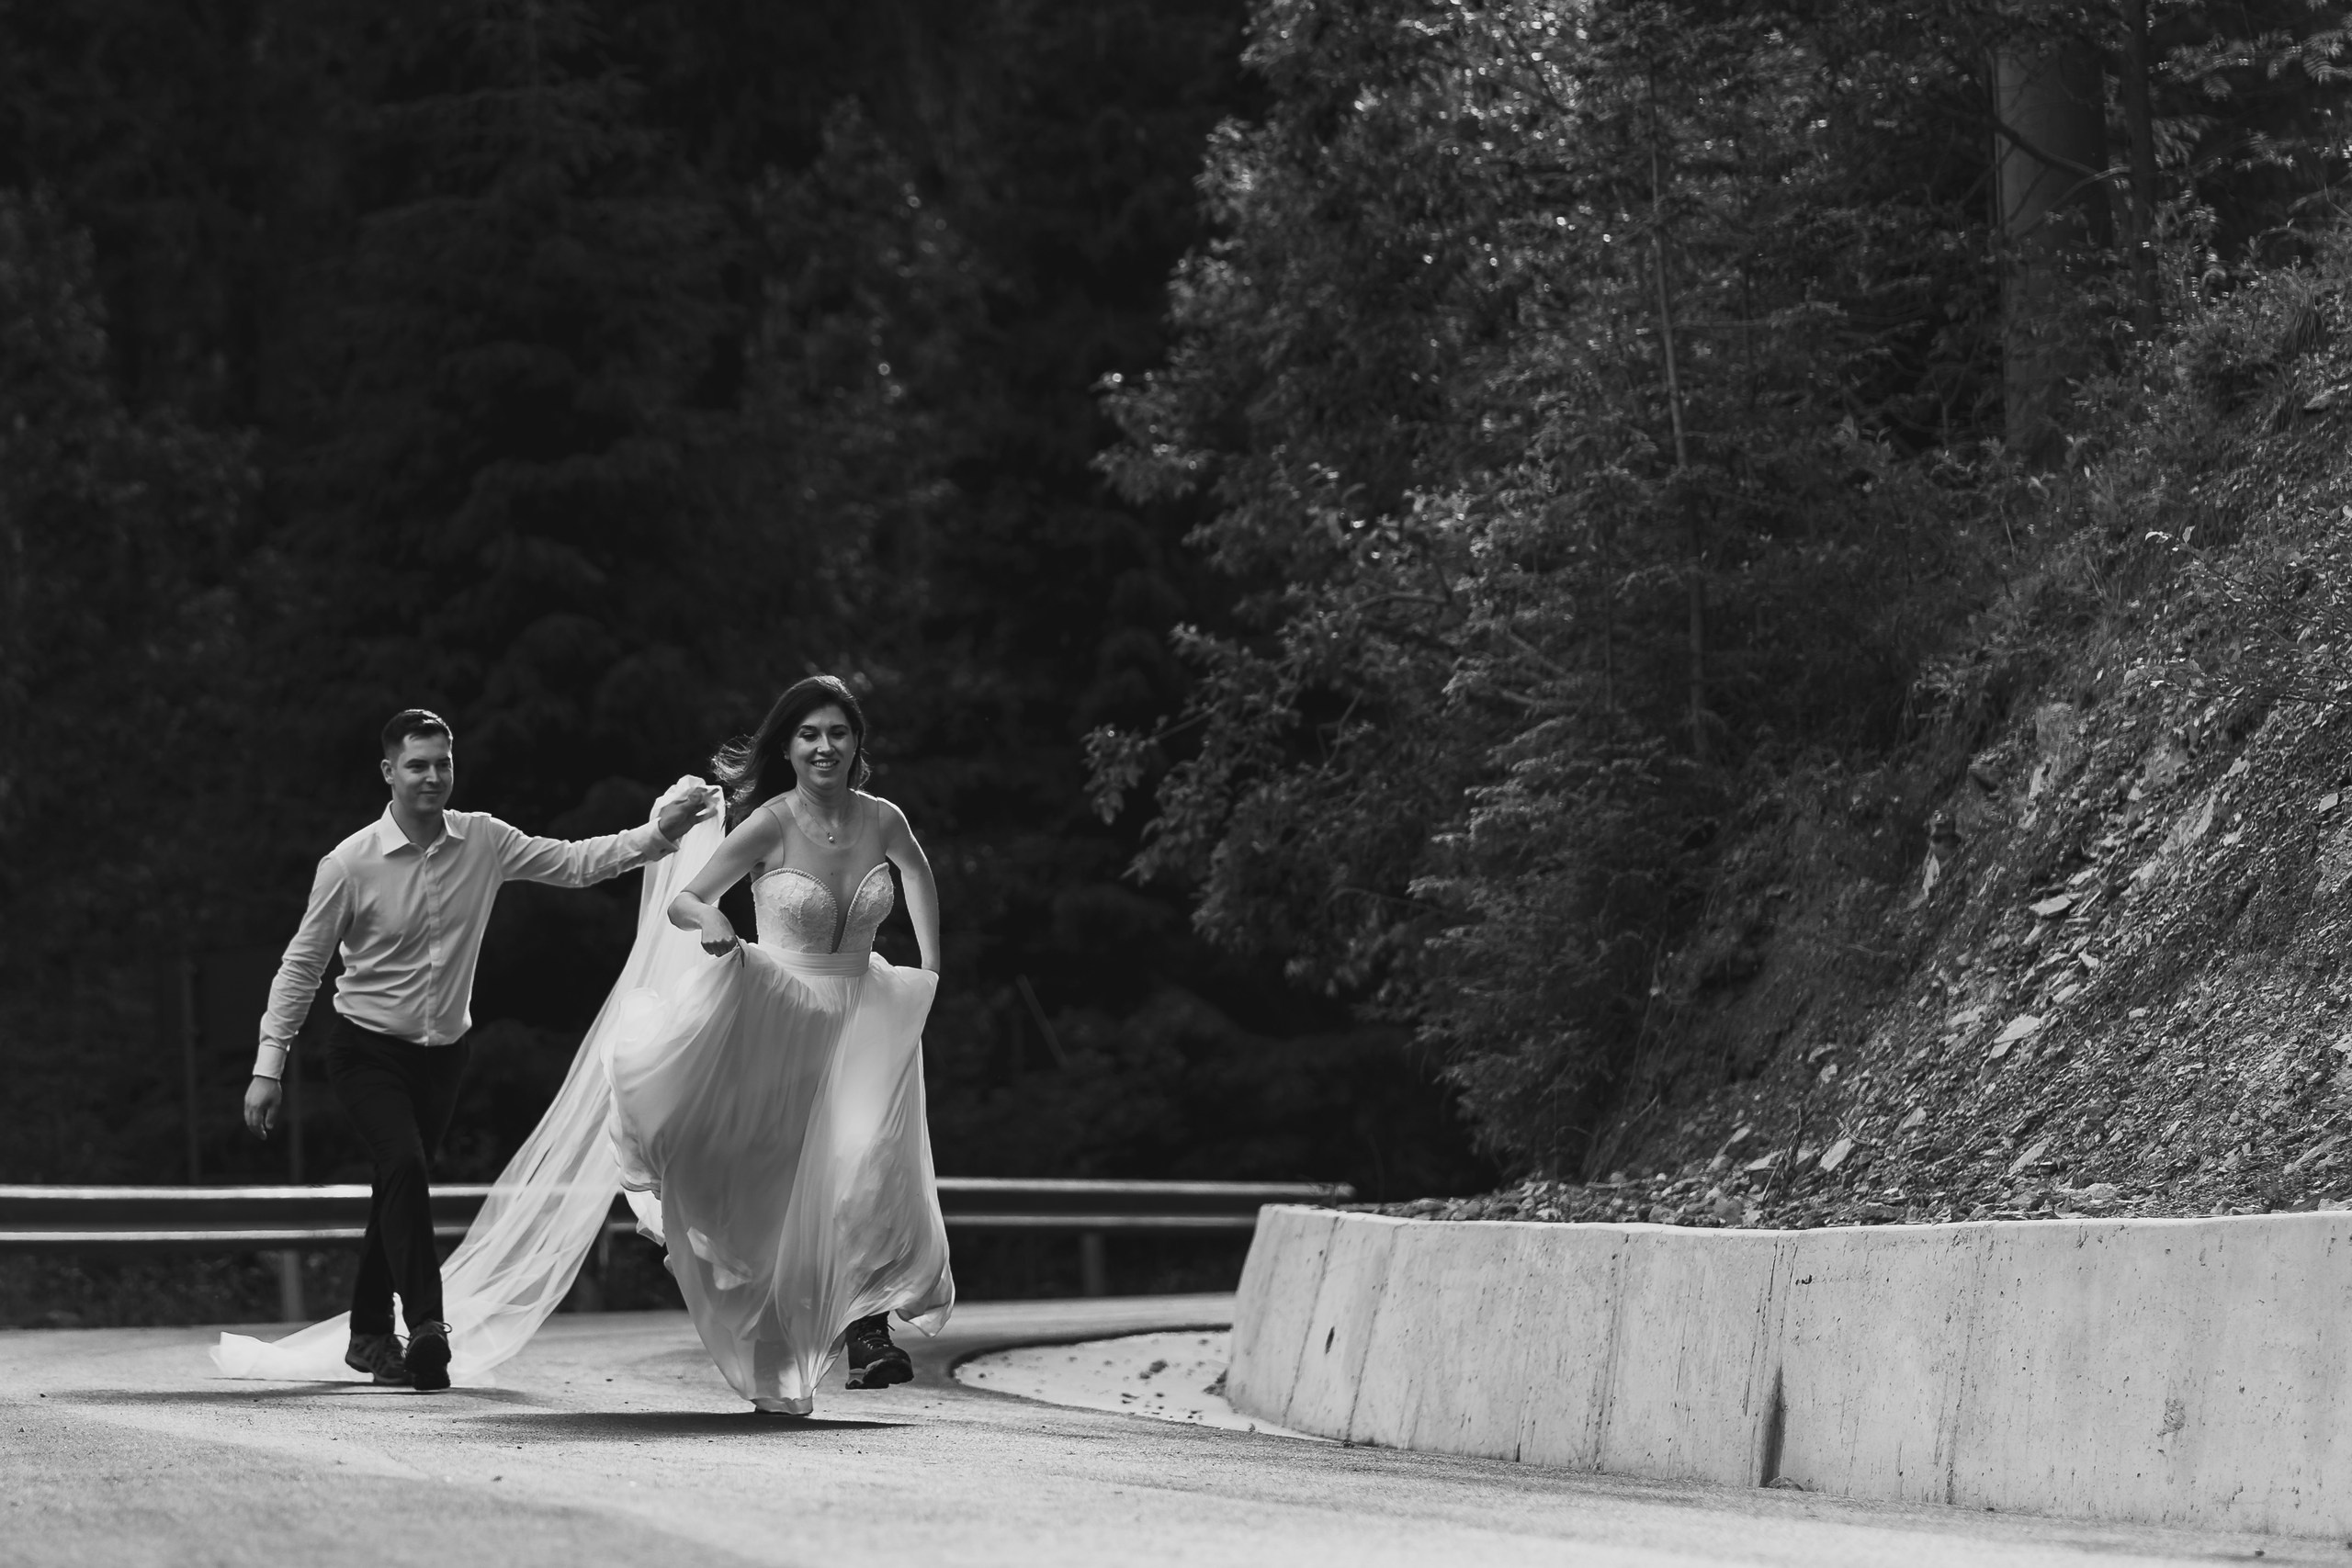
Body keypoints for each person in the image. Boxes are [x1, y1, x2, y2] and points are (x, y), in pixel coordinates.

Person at [235, 708, 713, 1391]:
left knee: (395, 1184)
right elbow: (301, 967)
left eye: (442, 764)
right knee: (402, 1163)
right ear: (388, 773)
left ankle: (368, 1334)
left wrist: (655, 836)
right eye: (417, 765)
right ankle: (427, 1326)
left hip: (442, 1054)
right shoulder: (349, 863)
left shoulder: (484, 839)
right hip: (365, 1047)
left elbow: (575, 862)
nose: (432, 776)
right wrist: (268, 1066)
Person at [605, 674, 955, 1415]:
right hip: (781, 1010)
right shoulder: (768, 821)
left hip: (865, 1009)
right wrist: (711, 922)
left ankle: (867, 1332)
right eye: (809, 734)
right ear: (788, 748)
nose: (824, 746)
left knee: (867, 1163)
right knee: (777, 1181)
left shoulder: (883, 818)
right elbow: (686, 894)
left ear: (856, 743)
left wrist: (929, 963)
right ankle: (774, 1341)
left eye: (837, 732)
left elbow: (917, 872)